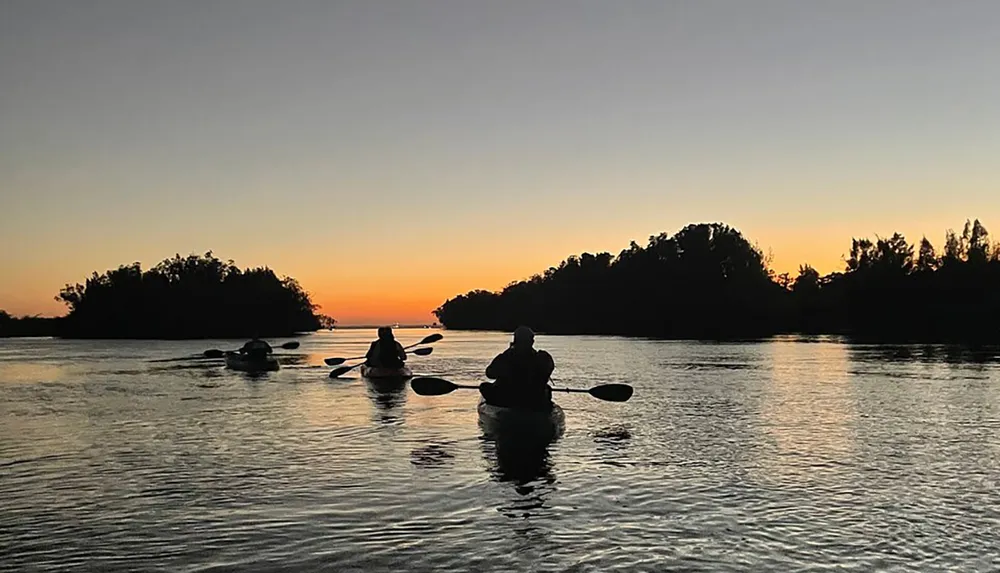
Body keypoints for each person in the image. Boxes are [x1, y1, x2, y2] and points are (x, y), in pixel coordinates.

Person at [480, 326, 555, 410]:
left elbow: (490, 373)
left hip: (509, 399)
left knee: (484, 387)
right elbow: (490, 373)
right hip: (534, 399)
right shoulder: (542, 358)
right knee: (547, 388)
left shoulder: (506, 357)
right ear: (531, 341)